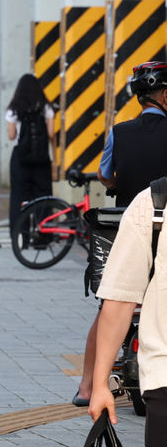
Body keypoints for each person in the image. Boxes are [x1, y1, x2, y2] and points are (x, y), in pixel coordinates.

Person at [74, 61, 167, 406]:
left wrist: (120, 182)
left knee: (110, 306)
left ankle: (86, 385)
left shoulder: (120, 131)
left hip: (128, 228)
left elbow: (104, 175)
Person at [88, 189, 167, 447]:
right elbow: (120, 298)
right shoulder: (154, 205)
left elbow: (119, 299)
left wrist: (100, 381)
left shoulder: (155, 203)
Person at [5, 74, 55, 232]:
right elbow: (52, 134)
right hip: (41, 158)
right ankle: (43, 234)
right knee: (43, 196)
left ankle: (21, 236)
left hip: (20, 158)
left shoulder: (14, 109)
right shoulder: (45, 107)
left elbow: (11, 136)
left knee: (19, 197)